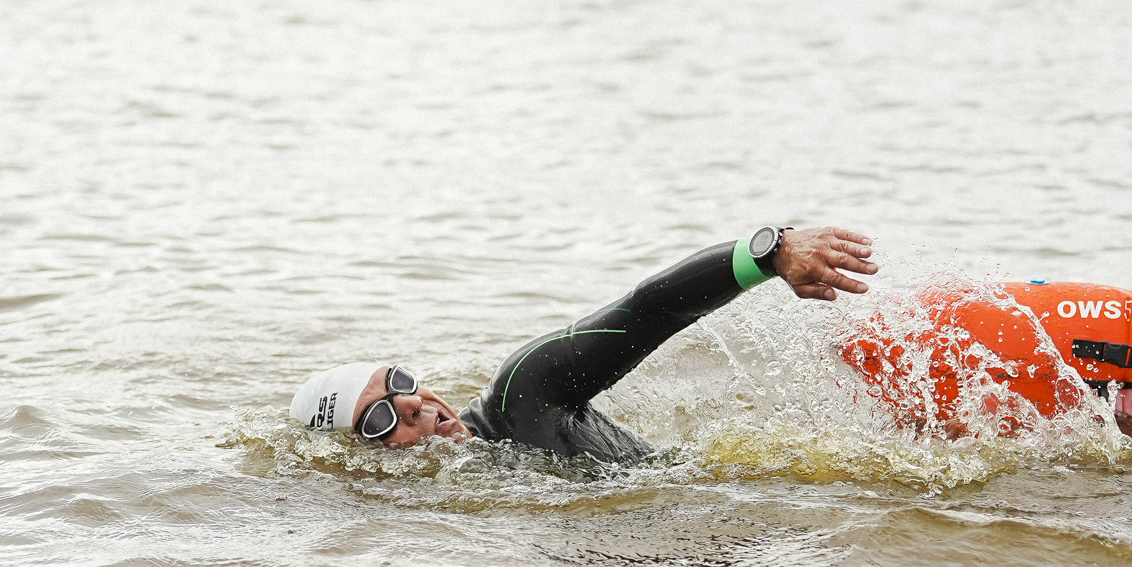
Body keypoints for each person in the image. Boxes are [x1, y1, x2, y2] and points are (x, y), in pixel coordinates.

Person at [289, 226, 879, 464]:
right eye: (380, 418)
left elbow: (651, 309)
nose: (414, 404)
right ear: (357, 457)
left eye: (399, 382)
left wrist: (769, 254)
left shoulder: (525, 390)